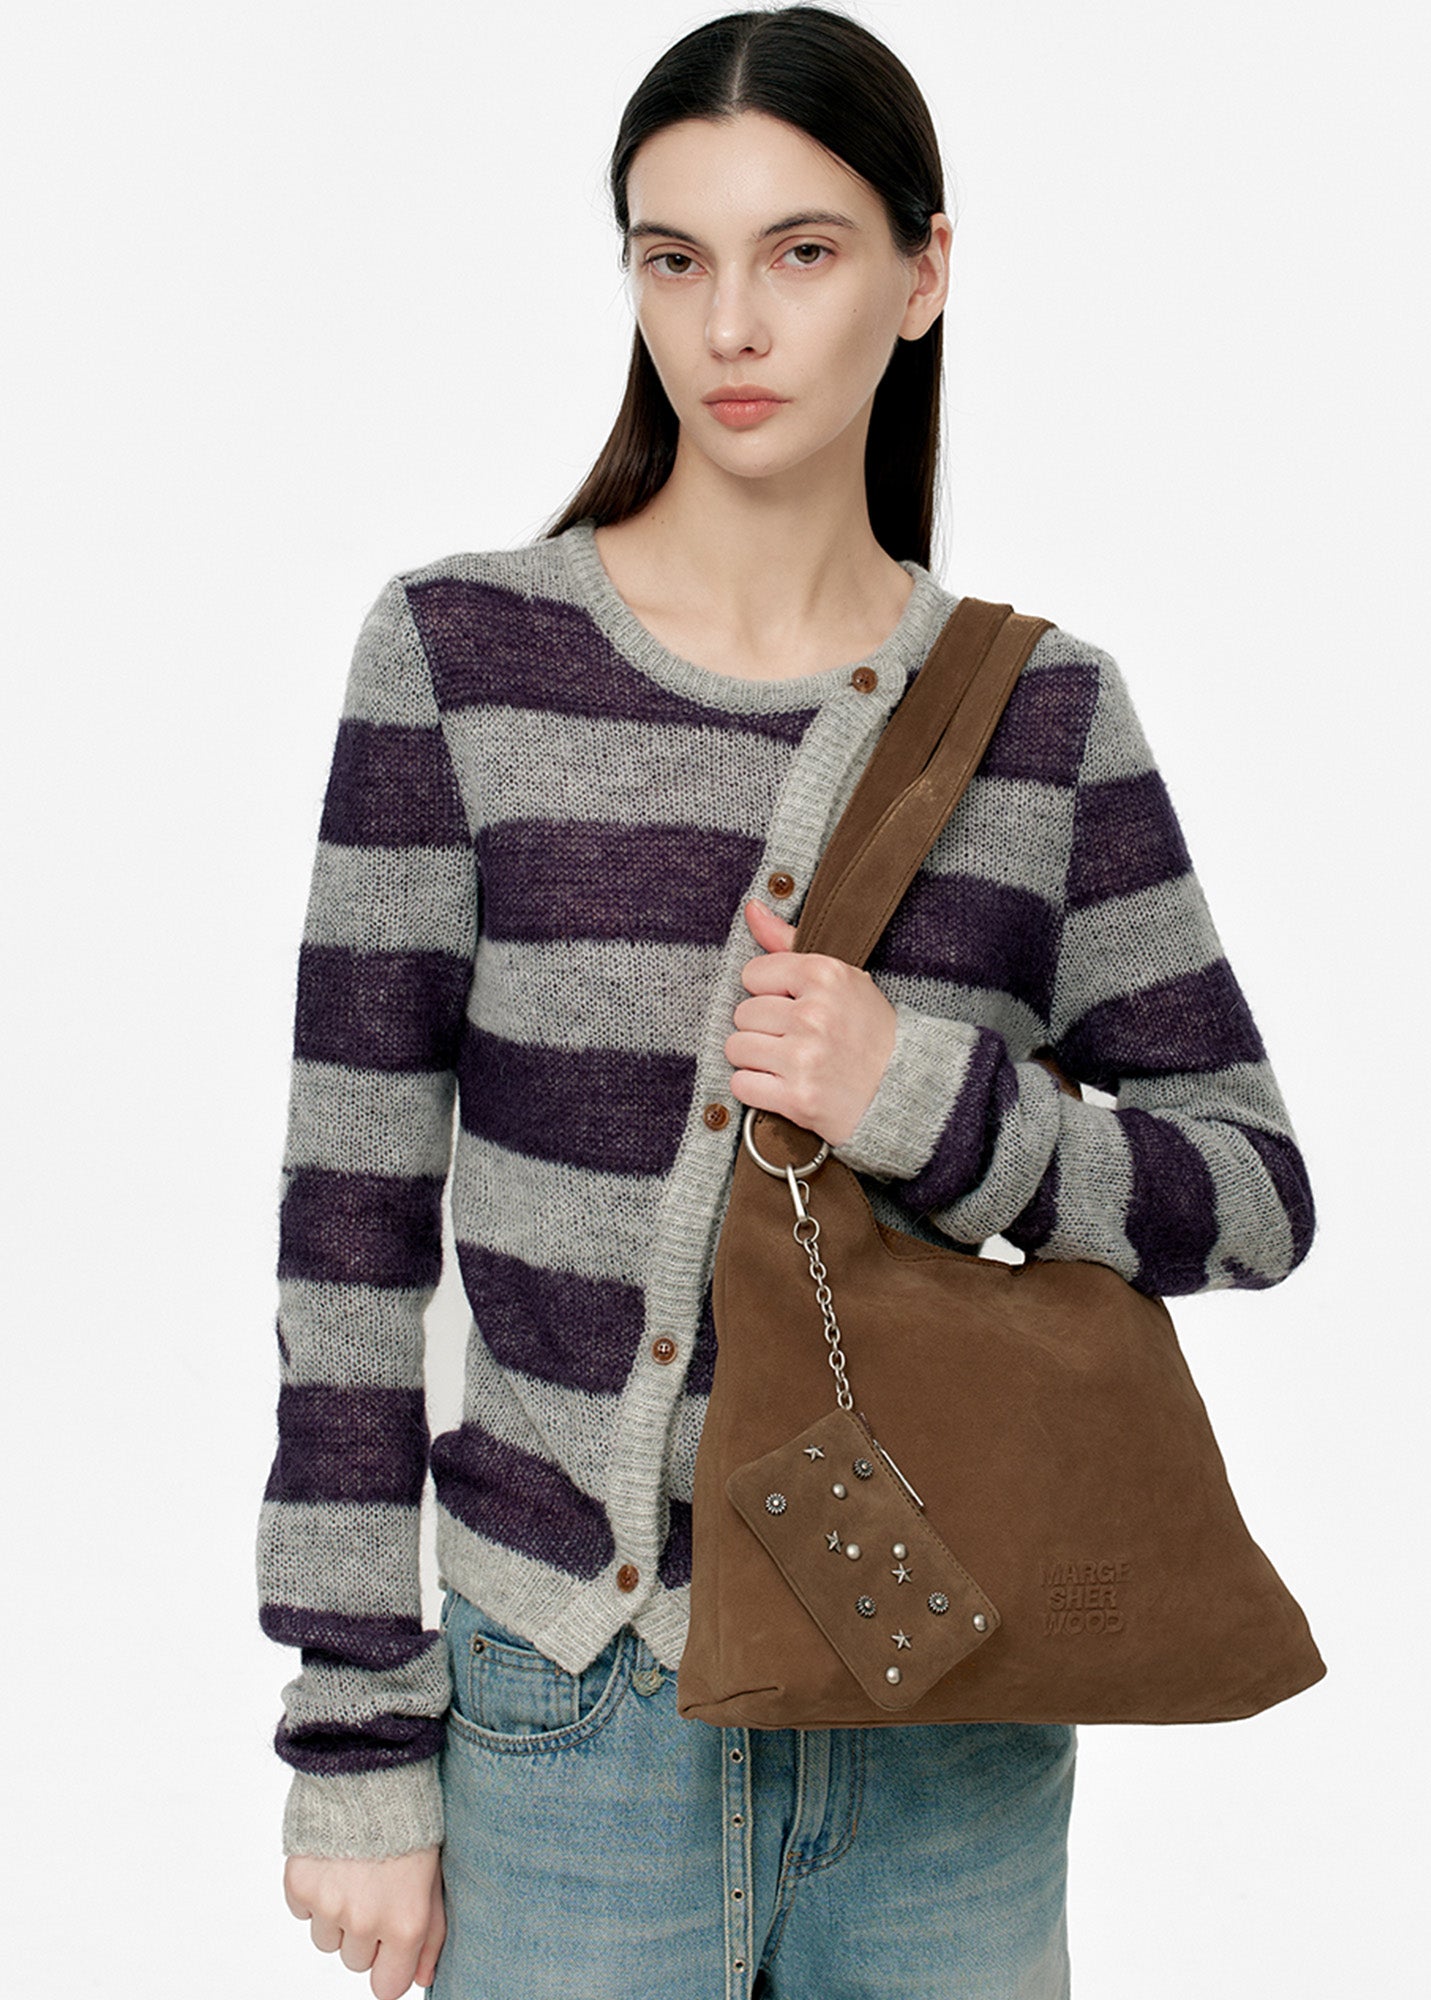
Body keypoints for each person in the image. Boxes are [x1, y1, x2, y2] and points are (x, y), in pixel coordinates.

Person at [256, 7, 1317, 1997]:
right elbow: (349, 1232)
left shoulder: (1041, 719)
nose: (731, 323)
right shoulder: (460, 660)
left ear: (923, 274)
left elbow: (1250, 1197)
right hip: (566, 1710)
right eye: (676, 258)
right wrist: (354, 1737)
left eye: (802, 251)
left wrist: (926, 1094)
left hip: (945, 1718)